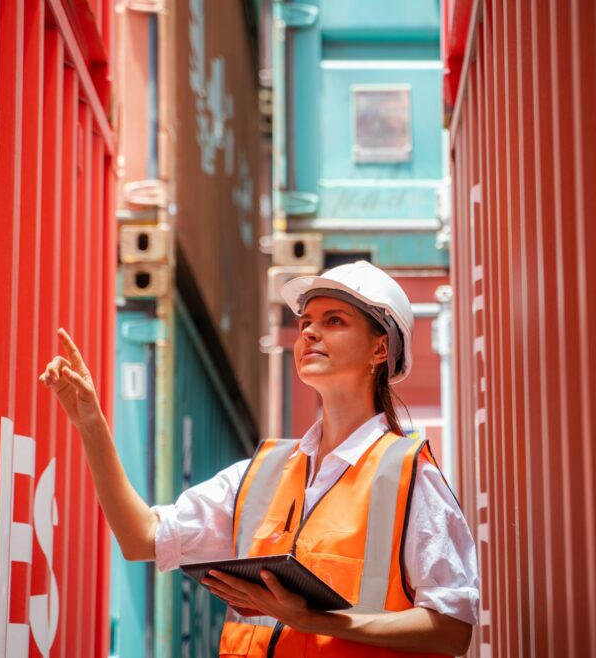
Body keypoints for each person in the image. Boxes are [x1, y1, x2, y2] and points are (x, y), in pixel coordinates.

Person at [40, 260, 479, 657]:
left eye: (334, 321)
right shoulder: (262, 473)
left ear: (380, 350)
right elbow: (141, 539)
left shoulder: (410, 477)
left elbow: (452, 630)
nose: (309, 332)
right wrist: (91, 425)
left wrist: (316, 621)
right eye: (305, 322)